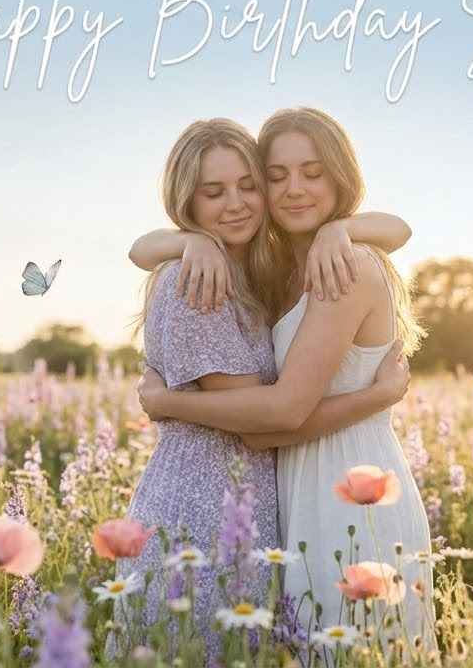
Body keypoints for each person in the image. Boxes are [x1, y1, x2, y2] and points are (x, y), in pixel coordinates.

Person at [132, 107, 435, 658]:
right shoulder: (273, 270)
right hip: (292, 486)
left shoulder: (346, 267)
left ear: (341, 177)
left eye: (314, 173)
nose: (294, 189)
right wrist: (193, 242)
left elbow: (282, 414)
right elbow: (140, 250)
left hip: (345, 488)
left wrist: (166, 401)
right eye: (275, 176)